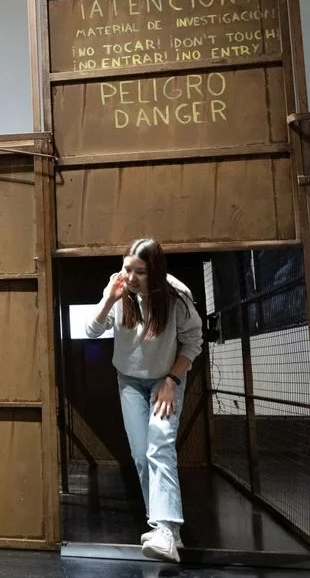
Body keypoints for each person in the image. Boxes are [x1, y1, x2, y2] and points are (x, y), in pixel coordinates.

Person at [86, 238, 203, 563]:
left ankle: (164, 530)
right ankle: (166, 531)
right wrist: (109, 300)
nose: (131, 276)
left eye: (140, 272)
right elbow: (92, 330)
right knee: (141, 454)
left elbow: (194, 341)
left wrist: (172, 380)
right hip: (130, 380)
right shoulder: (118, 287)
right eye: (127, 268)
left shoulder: (176, 296)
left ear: (155, 272)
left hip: (166, 379)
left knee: (159, 446)